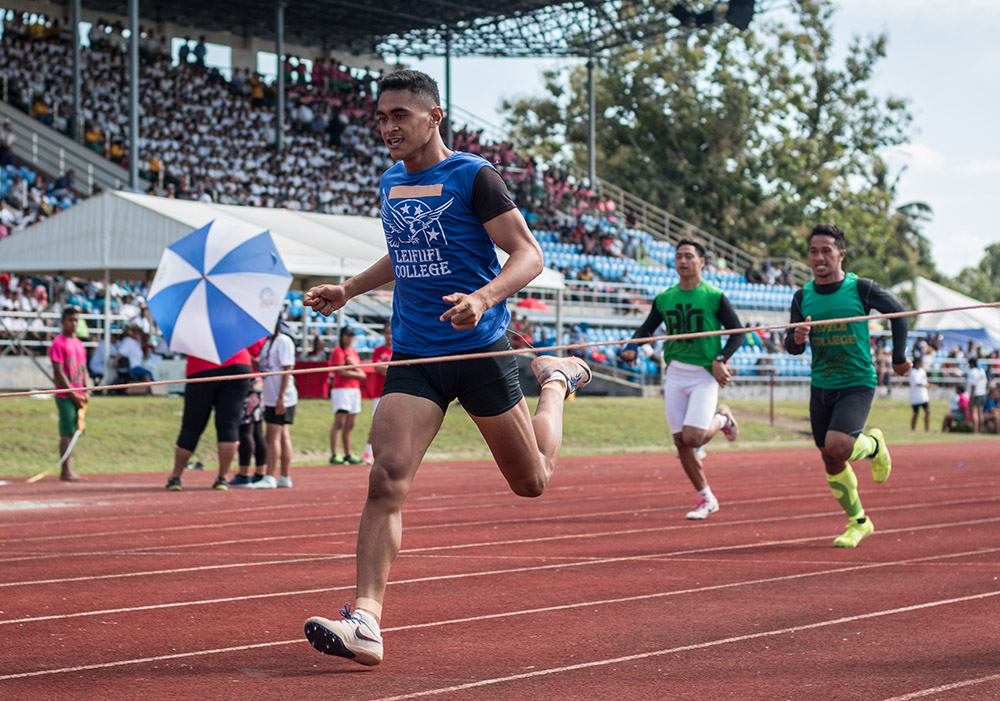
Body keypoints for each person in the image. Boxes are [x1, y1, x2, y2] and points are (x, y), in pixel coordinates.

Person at [301, 69, 590, 666]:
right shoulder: (390, 183)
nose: (387, 127)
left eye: (399, 115)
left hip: (480, 349)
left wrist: (483, 298)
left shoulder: (473, 175)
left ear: (434, 117)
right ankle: (367, 622)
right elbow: (405, 251)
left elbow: (528, 254)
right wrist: (350, 290)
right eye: (380, 117)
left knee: (531, 481)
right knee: (386, 477)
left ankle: (556, 383)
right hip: (416, 354)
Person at [784, 223, 910, 548]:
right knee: (830, 456)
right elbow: (792, 345)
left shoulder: (861, 288)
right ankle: (859, 522)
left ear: (841, 253)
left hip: (856, 382)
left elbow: (899, 313)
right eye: (813, 251)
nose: (819, 257)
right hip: (821, 384)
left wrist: (898, 357)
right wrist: (796, 339)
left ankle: (876, 446)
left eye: (826, 250)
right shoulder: (802, 296)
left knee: (839, 444)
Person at [619, 238, 745, 520]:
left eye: (689, 256)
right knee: (680, 442)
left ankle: (723, 418)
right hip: (675, 372)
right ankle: (706, 498)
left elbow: (738, 332)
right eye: (678, 256)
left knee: (694, 437)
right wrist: (631, 347)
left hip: (703, 375)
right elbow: (647, 328)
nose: (683, 261)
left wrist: (721, 359)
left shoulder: (713, 295)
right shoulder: (665, 297)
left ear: (702, 261)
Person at [164, 345, 253, 491]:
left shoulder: (191, 322)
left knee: (191, 426)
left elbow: (179, 346)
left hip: (202, 367)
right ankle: (222, 478)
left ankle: (176, 477)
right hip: (238, 364)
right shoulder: (237, 321)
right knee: (228, 426)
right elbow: (256, 347)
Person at [253, 320, 298, 489]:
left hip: (281, 396)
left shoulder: (283, 341)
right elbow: (265, 366)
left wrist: (281, 398)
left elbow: (288, 369)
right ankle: (284, 477)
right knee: (283, 435)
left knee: (273, 436)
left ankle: (270, 475)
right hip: (272, 395)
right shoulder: (268, 342)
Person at [49, 306, 90, 482]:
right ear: (63, 322)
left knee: (75, 430)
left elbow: (84, 369)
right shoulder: (58, 343)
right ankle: (65, 470)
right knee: (67, 432)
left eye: (76, 320)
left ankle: (68, 467)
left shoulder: (79, 344)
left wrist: (87, 390)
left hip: (79, 394)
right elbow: (59, 372)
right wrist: (73, 395)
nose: (74, 324)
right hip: (66, 395)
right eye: (70, 320)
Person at [328, 326, 366, 465]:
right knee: (340, 421)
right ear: (342, 336)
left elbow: (362, 374)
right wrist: (356, 372)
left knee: (351, 423)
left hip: (354, 389)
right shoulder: (338, 351)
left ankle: (347, 453)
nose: (349, 338)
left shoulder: (353, 352)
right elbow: (342, 372)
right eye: (347, 335)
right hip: (341, 389)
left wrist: (354, 368)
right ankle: (334, 453)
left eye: (351, 335)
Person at [362, 323, 392, 464]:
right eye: (386, 333)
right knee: (376, 424)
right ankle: (368, 452)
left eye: (391, 333)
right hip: (379, 393)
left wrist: (385, 367)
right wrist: (392, 369)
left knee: (394, 424)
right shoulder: (378, 350)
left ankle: (389, 453)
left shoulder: (399, 350)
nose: (389, 336)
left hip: (395, 391)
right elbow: (378, 368)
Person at [965, 357, 988, 433]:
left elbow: (973, 386)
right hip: (982, 393)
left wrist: (971, 398)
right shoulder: (982, 371)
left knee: (974, 413)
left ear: (971, 364)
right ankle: (980, 430)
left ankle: (975, 430)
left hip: (976, 394)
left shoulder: (973, 372)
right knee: (980, 413)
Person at [908, 353, 931, 432]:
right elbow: (917, 383)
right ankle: (913, 429)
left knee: (928, 411)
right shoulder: (913, 372)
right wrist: (926, 385)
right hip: (916, 396)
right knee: (915, 413)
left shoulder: (922, 371)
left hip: (923, 396)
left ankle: (927, 429)